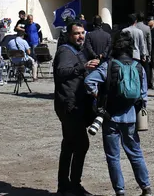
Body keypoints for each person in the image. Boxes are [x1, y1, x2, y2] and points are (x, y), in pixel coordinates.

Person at [84, 32, 152, 196]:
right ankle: (146, 187)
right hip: (131, 117)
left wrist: (97, 95)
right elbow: (143, 95)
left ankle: (120, 190)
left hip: (110, 117)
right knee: (135, 153)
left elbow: (88, 81)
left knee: (113, 156)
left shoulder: (108, 66)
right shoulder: (139, 67)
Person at [54, 21, 100, 196]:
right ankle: (73, 185)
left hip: (75, 103)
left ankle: (64, 185)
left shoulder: (78, 50)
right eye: (76, 33)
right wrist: (83, 67)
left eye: (82, 33)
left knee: (69, 145)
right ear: (69, 35)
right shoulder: (65, 51)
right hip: (69, 105)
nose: (80, 36)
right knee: (81, 144)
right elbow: (61, 72)